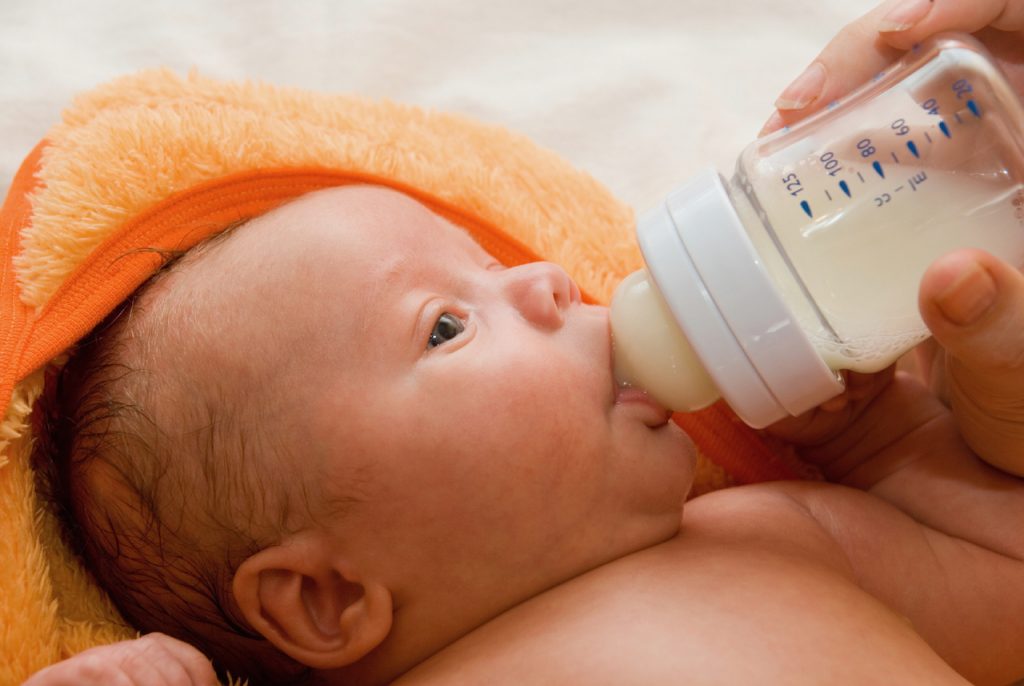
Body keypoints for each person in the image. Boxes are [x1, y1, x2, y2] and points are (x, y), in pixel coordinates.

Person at [24, 0, 1024, 684]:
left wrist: (878, 442)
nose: (547, 279)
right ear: (326, 598)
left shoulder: (781, 533)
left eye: (491, 266)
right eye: (447, 325)